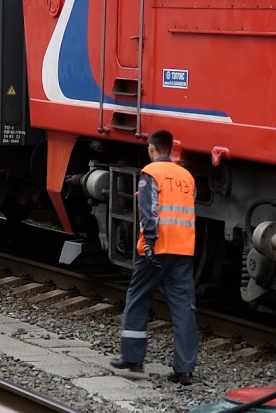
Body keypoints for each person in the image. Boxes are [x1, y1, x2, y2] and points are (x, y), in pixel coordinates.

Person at [110, 129, 198, 386]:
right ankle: (185, 370)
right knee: (184, 307)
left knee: (137, 298)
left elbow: (148, 210)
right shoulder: (187, 176)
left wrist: (149, 242)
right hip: (182, 250)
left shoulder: (151, 173)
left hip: (156, 247)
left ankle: (133, 358)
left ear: (151, 148)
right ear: (170, 149)